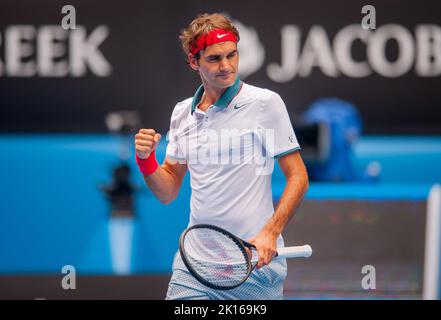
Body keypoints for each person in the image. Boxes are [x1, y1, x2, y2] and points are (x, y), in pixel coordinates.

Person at [134, 13, 309, 300]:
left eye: (232, 55)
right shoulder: (181, 113)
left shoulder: (265, 104)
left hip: (255, 267)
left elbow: (298, 176)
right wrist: (146, 160)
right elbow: (167, 191)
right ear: (194, 62)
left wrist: (270, 233)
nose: (226, 66)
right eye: (215, 59)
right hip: (194, 268)